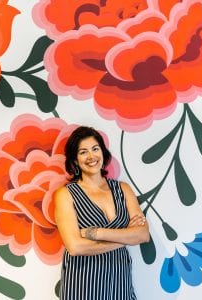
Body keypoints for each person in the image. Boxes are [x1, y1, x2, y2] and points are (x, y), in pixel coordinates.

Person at [54, 126, 150, 300]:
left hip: (119, 280)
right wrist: (125, 238)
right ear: (75, 160)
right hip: (82, 284)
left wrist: (96, 233)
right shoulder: (65, 195)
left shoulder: (123, 189)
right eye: (83, 152)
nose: (91, 156)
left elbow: (143, 234)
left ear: (103, 153)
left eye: (95, 149)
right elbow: (75, 247)